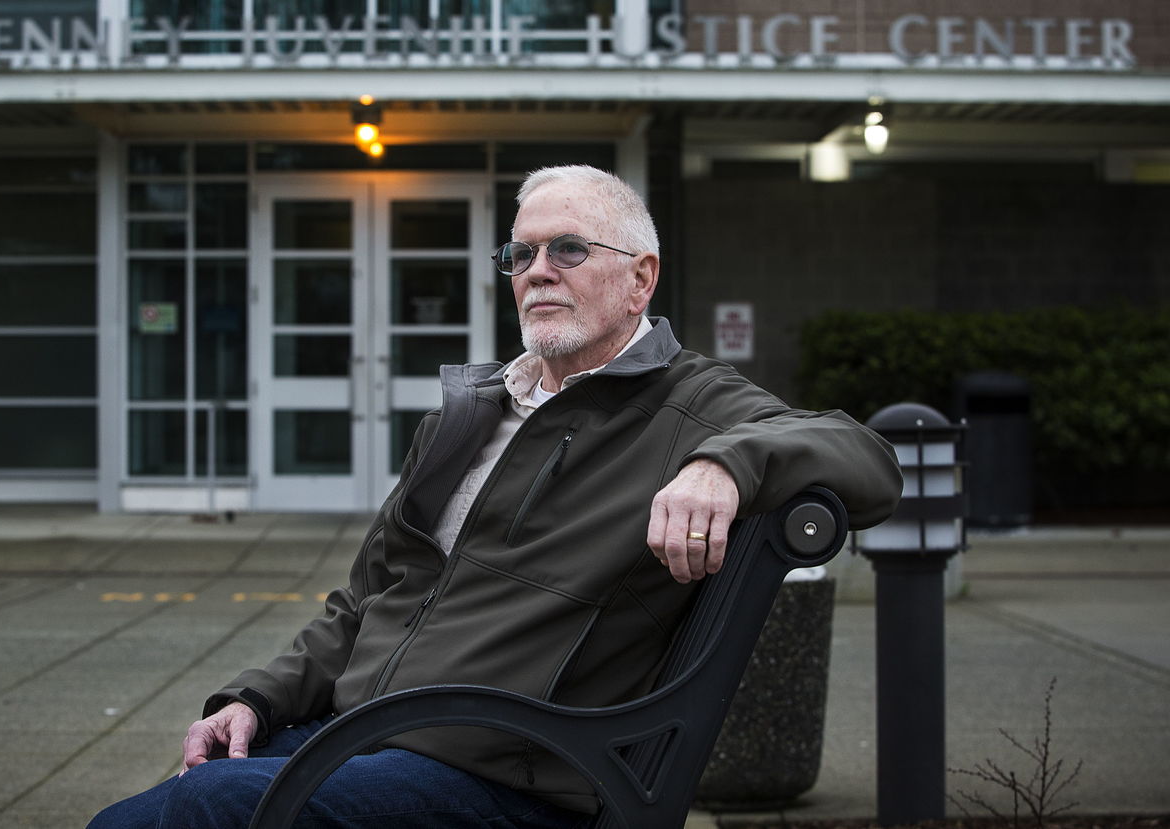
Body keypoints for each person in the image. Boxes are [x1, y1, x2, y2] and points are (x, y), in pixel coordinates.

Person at [89, 165, 902, 829]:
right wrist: (257, 698)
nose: (537, 270)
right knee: (121, 822)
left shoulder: (689, 405)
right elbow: (365, 599)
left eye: (569, 249)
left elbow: (866, 457)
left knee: (210, 809)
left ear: (640, 279)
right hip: (360, 738)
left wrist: (723, 464)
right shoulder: (470, 411)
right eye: (521, 254)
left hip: (507, 777)